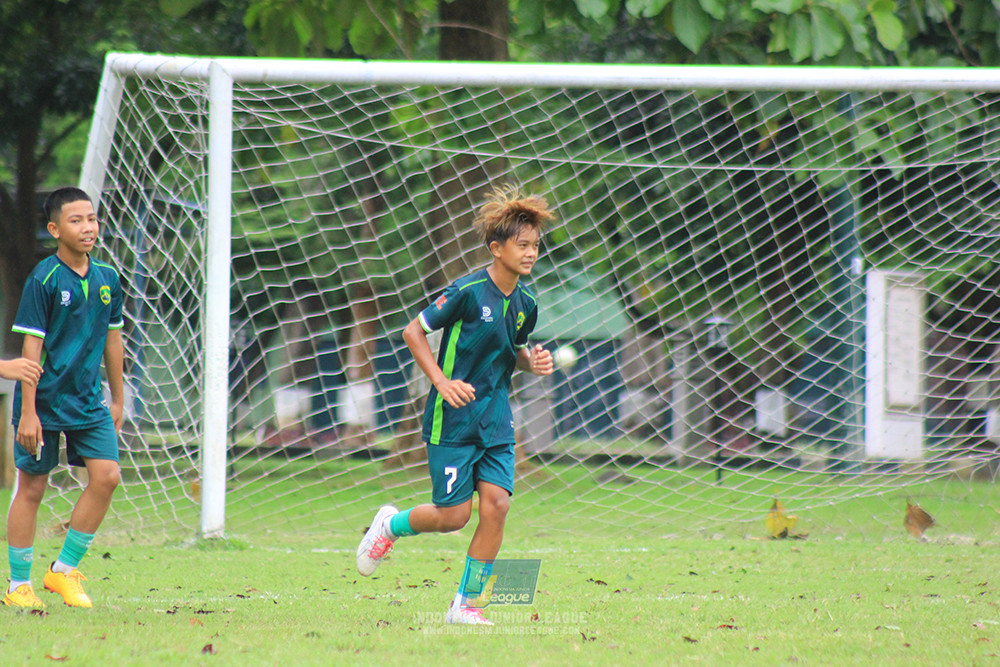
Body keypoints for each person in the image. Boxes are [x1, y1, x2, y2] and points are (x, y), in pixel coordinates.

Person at [356, 184, 555, 626]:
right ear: (496, 247)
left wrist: (532, 361)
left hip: (497, 420)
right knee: (453, 516)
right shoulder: (465, 292)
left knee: (497, 506)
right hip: (453, 420)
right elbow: (413, 332)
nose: (530, 254)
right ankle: (390, 525)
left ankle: (466, 605)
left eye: (535, 246)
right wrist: (442, 382)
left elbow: (513, 353)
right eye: (522, 245)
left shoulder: (527, 305)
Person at [5, 186, 124, 609]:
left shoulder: (109, 278)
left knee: (106, 476)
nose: (88, 227)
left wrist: (118, 399)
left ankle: (62, 572)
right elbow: (30, 352)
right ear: (55, 229)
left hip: (89, 402)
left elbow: (114, 342)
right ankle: (19, 584)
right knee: (32, 488)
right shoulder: (45, 279)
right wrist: (29, 414)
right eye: (76, 220)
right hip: (43, 402)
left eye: (91, 218)